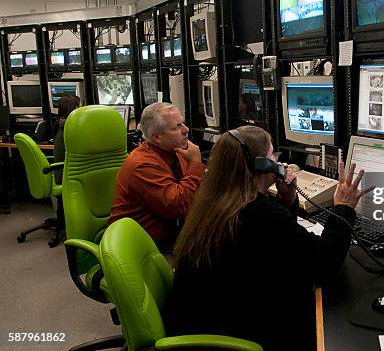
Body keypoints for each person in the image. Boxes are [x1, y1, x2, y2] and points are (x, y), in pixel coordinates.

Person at [163, 125, 370, 351]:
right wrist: (344, 207)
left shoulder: (217, 201)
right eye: (273, 154)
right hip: (236, 334)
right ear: (261, 164)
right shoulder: (259, 213)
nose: (279, 162)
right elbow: (324, 263)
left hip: (208, 317)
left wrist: (287, 199)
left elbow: (278, 245)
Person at [109, 102, 205, 249]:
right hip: (142, 247)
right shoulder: (141, 164)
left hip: (170, 236)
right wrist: (195, 164)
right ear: (156, 137)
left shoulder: (175, 152)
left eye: (183, 123)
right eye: (177, 127)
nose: (186, 130)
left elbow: (193, 190)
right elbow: (178, 206)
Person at [48, 94, 81, 247]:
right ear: (74, 109)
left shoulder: (60, 124)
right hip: (67, 174)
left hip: (60, 172)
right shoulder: (71, 127)